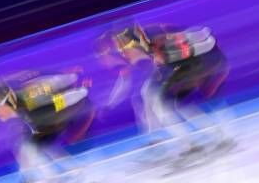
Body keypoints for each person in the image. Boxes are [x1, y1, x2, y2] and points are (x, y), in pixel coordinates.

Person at [97, 22, 233, 160]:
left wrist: (205, 41)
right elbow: (127, 78)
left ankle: (198, 142)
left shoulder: (151, 37)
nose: (121, 49)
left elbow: (189, 42)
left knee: (160, 101)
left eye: (120, 43)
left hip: (191, 63)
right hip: (180, 65)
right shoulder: (134, 46)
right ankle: (198, 141)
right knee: (153, 97)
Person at [0, 69, 95, 183]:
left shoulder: (32, 104)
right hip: (39, 122)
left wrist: (81, 87)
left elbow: (59, 95)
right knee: (31, 147)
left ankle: (55, 177)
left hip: (53, 120)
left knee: (29, 148)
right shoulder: (8, 102)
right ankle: (66, 172)